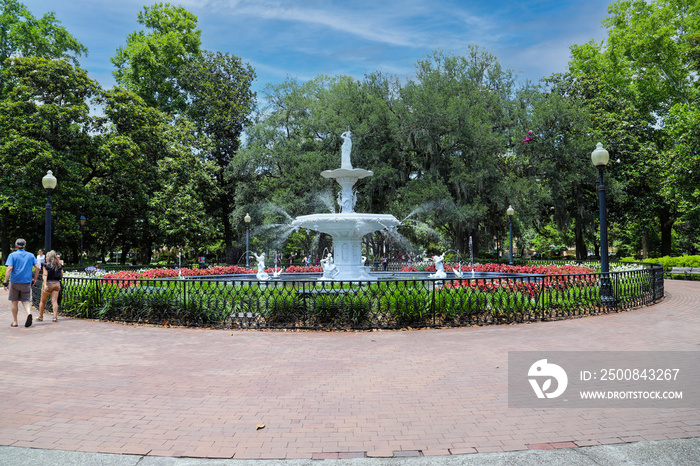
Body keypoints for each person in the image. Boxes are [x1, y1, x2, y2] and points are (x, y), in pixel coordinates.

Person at [3, 238, 39, 327]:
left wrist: (5, 281)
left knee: (14, 301)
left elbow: (10, 268)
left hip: (15, 281)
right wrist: (35, 278)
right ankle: (29, 313)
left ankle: (15, 322)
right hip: (26, 281)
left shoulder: (12, 255)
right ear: (25, 246)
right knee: (26, 300)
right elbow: (37, 267)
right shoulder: (31, 255)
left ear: (15, 246)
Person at [38, 250, 63, 322]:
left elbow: (45, 275)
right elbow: (61, 275)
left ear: (49, 258)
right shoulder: (58, 265)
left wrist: (45, 284)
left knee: (42, 301)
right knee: (54, 301)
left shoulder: (46, 265)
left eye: (46, 257)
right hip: (56, 284)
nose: (45, 258)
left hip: (49, 284)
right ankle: (55, 317)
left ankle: (41, 316)